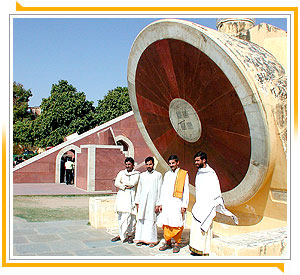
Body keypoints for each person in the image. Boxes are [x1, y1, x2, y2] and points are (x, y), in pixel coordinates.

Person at [189, 151, 238, 256]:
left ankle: (204, 250)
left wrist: (215, 202)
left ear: (204, 160)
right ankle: (196, 248)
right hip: (199, 204)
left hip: (208, 204)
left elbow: (216, 189)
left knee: (205, 225)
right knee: (196, 226)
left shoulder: (211, 174)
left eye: (198, 160)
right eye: (195, 161)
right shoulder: (199, 172)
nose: (196, 163)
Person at [157, 155, 189, 253]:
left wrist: (184, 205)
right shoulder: (167, 174)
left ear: (177, 162)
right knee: (166, 223)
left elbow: (186, 190)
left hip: (177, 203)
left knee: (177, 223)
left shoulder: (184, 174)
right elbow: (163, 189)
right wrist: (161, 203)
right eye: (170, 163)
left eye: (173, 163)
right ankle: (168, 242)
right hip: (167, 202)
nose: (171, 165)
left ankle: (176, 243)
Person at [134, 156, 163, 247]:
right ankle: (141, 239)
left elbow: (160, 189)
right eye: (147, 164)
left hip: (152, 201)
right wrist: (137, 202)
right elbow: (139, 189)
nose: (148, 166)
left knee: (151, 219)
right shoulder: (142, 175)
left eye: (150, 164)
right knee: (141, 219)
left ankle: (152, 240)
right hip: (143, 201)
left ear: (153, 164)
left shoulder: (158, 175)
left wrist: (158, 203)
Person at [111, 157, 140, 244]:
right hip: (122, 197)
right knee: (121, 217)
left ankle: (130, 235)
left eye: (129, 164)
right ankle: (121, 234)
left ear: (133, 165)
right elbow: (116, 183)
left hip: (131, 197)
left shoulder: (137, 174)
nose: (128, 166)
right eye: (126, 164)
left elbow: (133, 183)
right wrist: (124, 186)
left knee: (131, 217)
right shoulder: (121, 173)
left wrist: (122, 184)